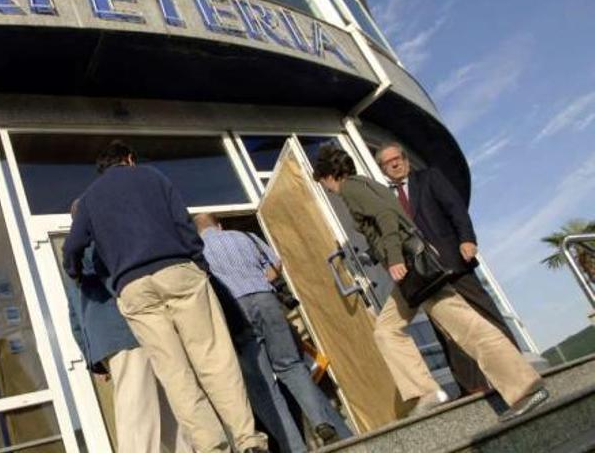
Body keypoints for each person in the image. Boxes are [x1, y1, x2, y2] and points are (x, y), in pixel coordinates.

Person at [312, 145, 548, 422]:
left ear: (330, 175)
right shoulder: (367, 183)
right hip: (415, 270)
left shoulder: (351, 189)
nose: (327, 189)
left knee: (466, 328)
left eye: (324, 182)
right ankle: (427, 393)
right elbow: (390, 216)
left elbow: (387, 218)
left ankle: (524, 387)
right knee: (388, 331)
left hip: (413, 270)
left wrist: (396, 258)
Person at [63, 140, 269, 453]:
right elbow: (183, 223)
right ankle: (249, 442)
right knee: (214, 358)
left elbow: (73, 247)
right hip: (178, 271)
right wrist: (197, 262)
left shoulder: (90, 199)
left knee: (175, 374)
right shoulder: (152, 176)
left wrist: (75, 271)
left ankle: (212, 448)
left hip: (133, 289)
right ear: (130, 159)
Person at [194, 213, 352, 449]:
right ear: (219, 225)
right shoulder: (245, 236)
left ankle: (294, 447)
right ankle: (321, 422)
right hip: (266, 300)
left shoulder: (197, 253)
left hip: (236, 311)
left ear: (197, 232)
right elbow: (274, 267)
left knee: (264, 386)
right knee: (291, 366)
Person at [375, 142, 522, 395]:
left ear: (406, 159)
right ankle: (472, 387)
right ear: (383, 168)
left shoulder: (430, 177)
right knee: (448, 329)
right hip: (426, 274)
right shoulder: (388, 200)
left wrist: (467, 239)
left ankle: (517, 369)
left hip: (455, 261)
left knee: (484, 314)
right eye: (389, 162)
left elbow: (456, 209)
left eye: (398, 158)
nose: (395, 164)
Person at [66, 201, 191, 453]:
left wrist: (93, 359)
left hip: (118, 340)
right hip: (127, 334)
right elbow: (122, 284)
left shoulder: (75, 261)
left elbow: (75, 318)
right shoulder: (96, 245)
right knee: (138, 414)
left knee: (165, 414)